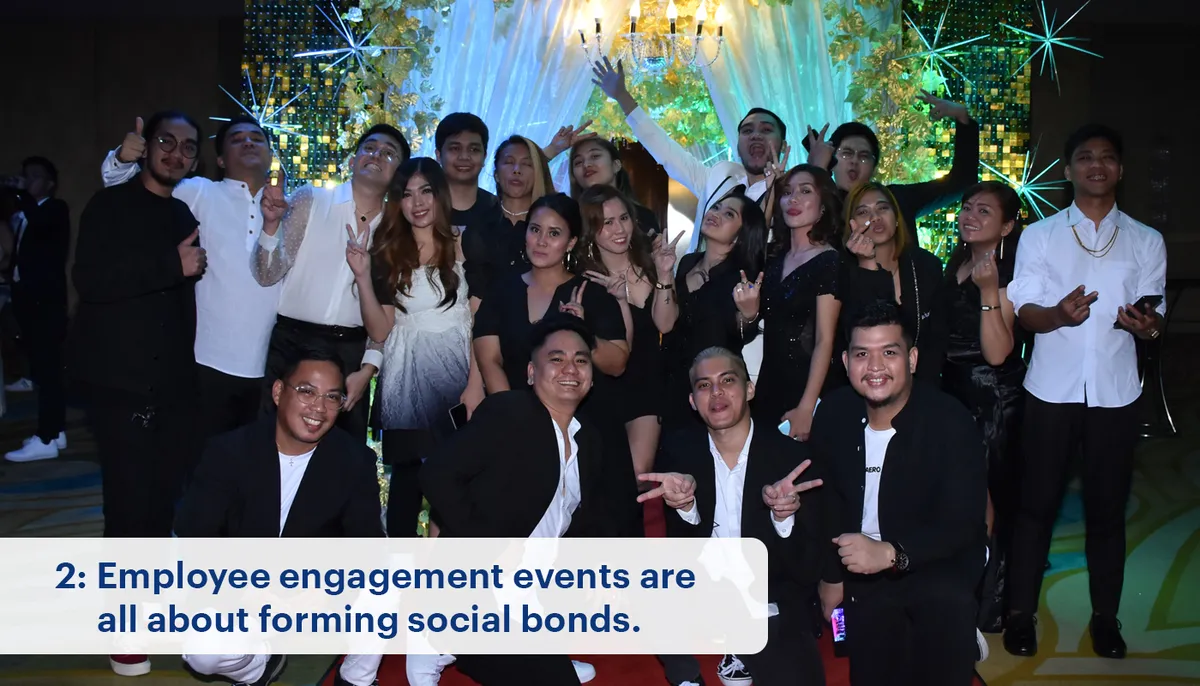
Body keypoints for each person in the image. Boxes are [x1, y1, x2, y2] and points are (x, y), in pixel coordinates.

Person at [1003, 125, 1166, 660]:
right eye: (1085, 157)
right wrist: (1058, 315)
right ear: (1069, 170)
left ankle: (1105, 620)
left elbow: (1155, 314)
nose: (1097, 164)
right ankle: (1019, 615)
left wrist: (1147, 327)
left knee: (1107, 511)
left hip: (1116, 396)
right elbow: (1025, 309)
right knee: (1035, 508)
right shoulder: (1040, 236)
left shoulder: (1147, 239)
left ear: (1119, 170)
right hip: (1050, 392)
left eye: (1107, 158)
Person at [67, 110, 207, 678]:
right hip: (120, 385)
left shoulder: (181, 212)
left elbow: (177, 305)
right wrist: (170, 265)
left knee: (156, 508)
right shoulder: (110, 205)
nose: (176, 154)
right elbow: (92, 282)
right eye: (166, 143)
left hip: (171, 387)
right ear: (146, 146)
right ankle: (125, 628)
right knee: (126, 508)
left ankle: (145, 606)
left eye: (188, 148)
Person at [416, 315, 613, 686]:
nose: (571, 368)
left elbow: (585, 521)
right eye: (556, 359)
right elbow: (436, 473)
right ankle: (433, 635)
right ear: (529, 372)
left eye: (581, 360)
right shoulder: (510, 412)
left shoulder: (589, 440)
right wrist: (490, 547)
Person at [176, 346, 384, 686]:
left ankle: (355, 679)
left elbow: (367, 545)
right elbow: (195, 535)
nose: (319, 407)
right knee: (204, 653)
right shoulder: (229, 451)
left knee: (390, 577)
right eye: (306, 391)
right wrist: (248, 590)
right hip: (242, 587)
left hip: (314, 590)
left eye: (332, 397)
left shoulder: (352, 460)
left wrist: (326, 591)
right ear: (277, 392)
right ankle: (259, 665)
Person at [813, 300, 987, 686]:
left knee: (944, 624)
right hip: (861, 568)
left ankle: (960, 641)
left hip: (934, 563)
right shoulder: (834, 414)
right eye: (862, 354)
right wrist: (831, 576)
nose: (875, 367)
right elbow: (828, 504)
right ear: (845, 362)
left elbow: (962, 525)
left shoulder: (950, 420)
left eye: (888, 352)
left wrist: (892, 554)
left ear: (911, 359)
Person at [643, 347, 827, 686]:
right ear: (692, 400)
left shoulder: (790, 458)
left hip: (768, 595)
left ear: (749, 389)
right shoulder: (680, 452)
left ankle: (741, 644)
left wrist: (784, 518)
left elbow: (806, 568)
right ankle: (688, 678)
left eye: (727, 381)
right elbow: (680, 553)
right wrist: (685, 508)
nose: (716, 393)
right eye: (704, 386)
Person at [99, 113, 282, 446]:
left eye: (256, 138)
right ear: (221, 160)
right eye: (237, 138)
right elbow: (130, 196)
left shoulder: (288, 208)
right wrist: (122, 160)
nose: (248, 142)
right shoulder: (200, 192)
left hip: (267, 371)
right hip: (203, 364)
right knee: (198, 471)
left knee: (250, 476)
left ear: (270, 156)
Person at [472, 192, 638, 540]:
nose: (541, 241)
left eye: (553, 233)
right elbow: (489, 360)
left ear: (571, 241)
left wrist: (584, 333)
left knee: (593, 542)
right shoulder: (502, 290)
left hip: (589, 432)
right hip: (518, 431)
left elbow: (619, 362)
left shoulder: (590, 292)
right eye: (535, 230)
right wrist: (521, 422)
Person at [347, 157, 483, 537]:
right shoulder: (389, 250)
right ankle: (404, 573)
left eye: (425, 191)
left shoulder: (462, 242)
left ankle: (449, 570)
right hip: (406, 372)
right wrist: (362, 277)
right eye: (406, 194)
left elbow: (478, 320)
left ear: (439, 194)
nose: (417, 202)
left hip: (457, 369)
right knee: (409, 479)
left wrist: (475, 383)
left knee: (455, 477)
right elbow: (381, 327)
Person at [252, 123, 411, 441]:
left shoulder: (397, 232)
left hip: (349, 352)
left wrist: (367, 370)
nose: (376, 155)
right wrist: (270, 226)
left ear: (399, 175)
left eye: (389, 153)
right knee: (270, 444)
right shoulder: (310, 199)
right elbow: (267, 273)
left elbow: (384, 317)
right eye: (369, 148)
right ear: (352, 162)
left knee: (338, 463)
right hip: (290, 344)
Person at [940, 181, 1027, 633]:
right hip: (954, 396)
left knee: (988, 505)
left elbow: (997, 353)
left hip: (991, 398)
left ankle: (987, 606)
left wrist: (991, 289)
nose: (969, 216)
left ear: (1008, 226)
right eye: (967, 207)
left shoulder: (1010, 273)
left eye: (984, 212)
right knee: (961, 503)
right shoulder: (957, 260)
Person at [592, 57, 787, 252]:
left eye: (766, 130)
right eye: (747, 131)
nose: (755, 136)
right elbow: (666, 151)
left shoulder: (790, 195)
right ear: (737, 144)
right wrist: (622, 96)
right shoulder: (721, 178)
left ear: (783, 146)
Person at [577, 184, 678, 477]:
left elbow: (665, 324)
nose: (619, 228)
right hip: (604, 388)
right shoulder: (585, 280)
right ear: (590, 229)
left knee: (638, 471)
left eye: (623, 218)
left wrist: (664, 274)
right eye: (606, 223)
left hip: (651, 384)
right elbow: (620, 353)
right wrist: (620, 302)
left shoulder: (652, 260)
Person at [804, 92, 979, 245]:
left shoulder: (898, 199)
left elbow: (960, 182)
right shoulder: (817, 204)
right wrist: (817, 170)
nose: (855, 161)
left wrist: (962, 118)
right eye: (846, 153)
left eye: (864, 156)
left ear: (874, 167)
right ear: (831, 161)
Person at [658, 187, 768, 430]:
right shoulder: (687, 262)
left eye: (729, 214)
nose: (716, 213)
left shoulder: (744, 277)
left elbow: (739, 334)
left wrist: (749, 315)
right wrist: (664, 273)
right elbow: (665, 324)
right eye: (716, 207)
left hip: (716, 390)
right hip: (674, 383)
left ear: (740, 235)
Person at [752, 164, 843, 440]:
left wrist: (807, 406)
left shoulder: (829, 261)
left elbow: (825, 340)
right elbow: (752, 233)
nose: (793, 199)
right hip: (769, 383)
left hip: (808, 390)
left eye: (805, 191)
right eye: (787, 192)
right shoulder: (774, 259)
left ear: (823, 205)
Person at [839, 182, 947, 382]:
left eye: (883, 208)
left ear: (896, 218)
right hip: (864, 383)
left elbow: (937, 341)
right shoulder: (840, 270)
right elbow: (866, 332)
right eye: (864, 212)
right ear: (851, 224)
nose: (875, 217)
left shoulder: (926, 265)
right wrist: (868, 265)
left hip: (922, 384)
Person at [3, 156, 70, 462]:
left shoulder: (55, 210)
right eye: (24, 175)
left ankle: (46, 437)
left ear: (50, 184)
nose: (26, 181)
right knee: (44, 371)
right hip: (28, 301)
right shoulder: (24, 213)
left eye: (34, 177)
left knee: (49, 372)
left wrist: (24, 195)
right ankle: (55, 432)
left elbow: (42, 228)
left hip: (46, 304)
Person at [461, 135, 555, 300]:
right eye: (509, 162)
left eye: (527, 164)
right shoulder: (479, 225)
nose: (517, 170)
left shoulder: (553, 224)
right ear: (496, 174)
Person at [569, 138, 661, 237]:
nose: (586, 164)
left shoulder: (644, 217)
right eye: (578, 162)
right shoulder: (568, 218)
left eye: (595, 156)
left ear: (616, 165)